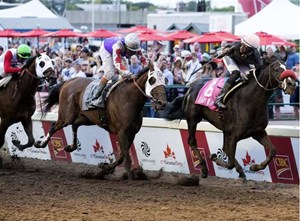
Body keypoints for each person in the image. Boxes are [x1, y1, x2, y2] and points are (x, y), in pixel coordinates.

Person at [90, 33, 146, 108]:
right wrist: (128, 73)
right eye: (130, 51)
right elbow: (118, 63)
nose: (132, 53)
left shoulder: (137, 47)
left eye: (134, 51)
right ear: (126, 46)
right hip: (106, 50)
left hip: (120, 53)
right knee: (110, 73)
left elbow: (144, 60)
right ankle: (96, 96)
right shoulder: (117, 46)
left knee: (126, 75)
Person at [215, 34, 263, 109]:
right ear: (242, 43)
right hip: (231, 59)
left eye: (249, 49)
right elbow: (218, 55)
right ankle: (219, 99)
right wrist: (223, 52)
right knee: (236, 74)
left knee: (249, 78)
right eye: (245, 47)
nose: (246, 50)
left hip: (243, 63)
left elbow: (259, 67)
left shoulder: (255, 55)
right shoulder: (235, 45)